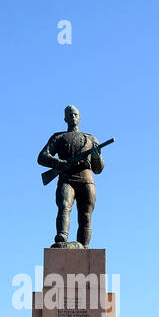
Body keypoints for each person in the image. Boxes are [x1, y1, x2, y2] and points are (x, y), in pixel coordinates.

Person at [37, 104, 105, 246]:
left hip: (87, 180)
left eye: (75, 114)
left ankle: (84, 246)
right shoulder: (59, 137)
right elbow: (42, 157)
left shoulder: (91, 139)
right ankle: (62, 236)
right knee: (64, 206)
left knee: (86, 215)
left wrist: (96, 157)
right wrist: (60, 163)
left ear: (80, 118)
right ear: (65, 119)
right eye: (69, 115)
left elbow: (98, 169)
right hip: (67, 179)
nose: (72, 117)